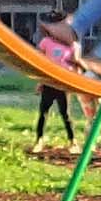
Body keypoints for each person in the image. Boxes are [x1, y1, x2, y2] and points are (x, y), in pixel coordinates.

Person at [29, 10, 79, 154]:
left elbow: (76, 64)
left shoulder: (73, 44)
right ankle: (39, 140)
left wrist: (75, 81)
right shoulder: (46, 42)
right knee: (43, 112)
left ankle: (73, 141)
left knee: (65, 113)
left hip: (64, 82)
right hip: (49, 81)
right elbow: (41, 61)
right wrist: (40, 81)